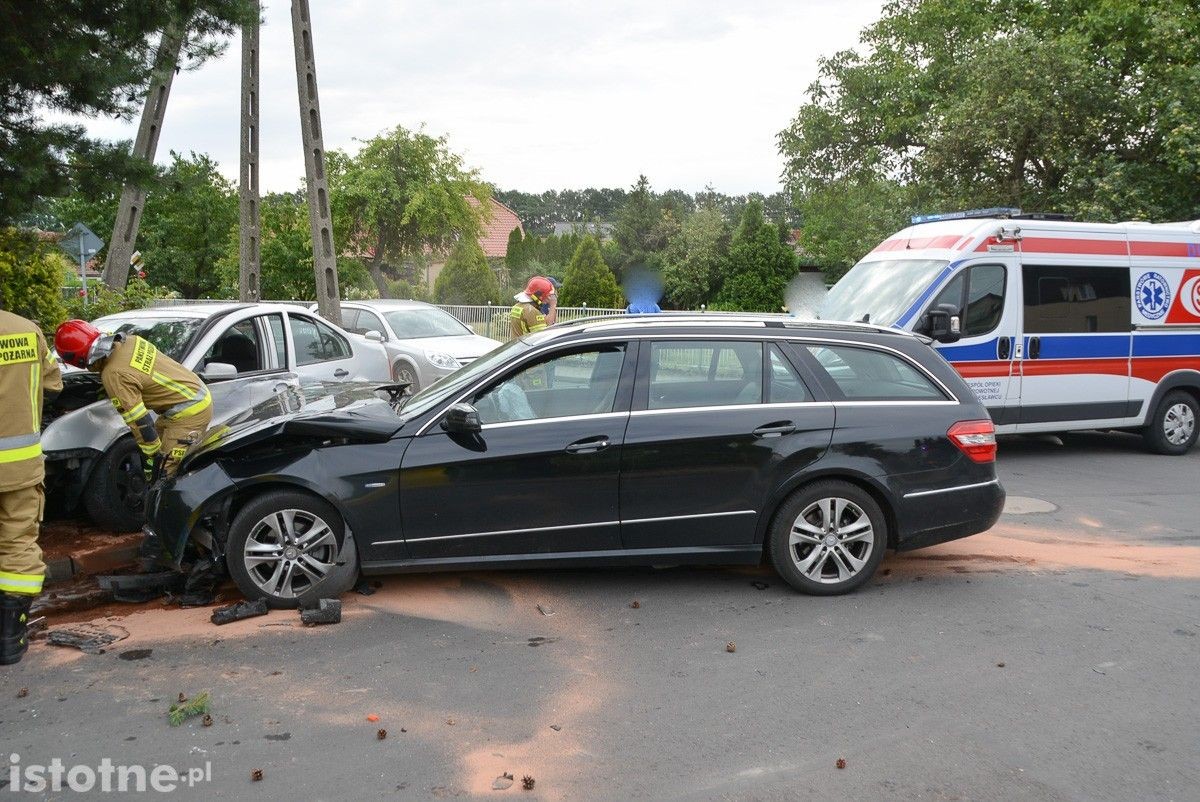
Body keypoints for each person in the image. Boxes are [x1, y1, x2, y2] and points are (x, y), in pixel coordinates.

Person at [54, 320, 212, 484]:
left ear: (76, 359)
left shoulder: (113, 375)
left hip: (190, 411)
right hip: (190, 396)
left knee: (165, 474)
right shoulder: (130, 341)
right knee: (160, 455)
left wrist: (151, 461)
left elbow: (139, 421)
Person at [0, 309, 62, 665]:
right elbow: (53, 385)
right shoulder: (27, 331)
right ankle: (10, 640)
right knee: (18, 545)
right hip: (20, 467)